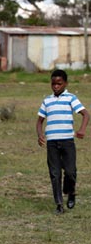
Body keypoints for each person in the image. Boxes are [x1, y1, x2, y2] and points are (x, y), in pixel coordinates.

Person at [36, 69, 89, 215]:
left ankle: (71, 192)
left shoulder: (71, 98)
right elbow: (40, 121)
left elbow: (85, 114)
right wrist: (40, 135)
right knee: (55, 173)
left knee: (70, 172)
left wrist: (82, 129)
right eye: (53, 84)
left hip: (67, 141)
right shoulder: (47, 101)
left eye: (59, 84)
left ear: (65, 83)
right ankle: (59, 204)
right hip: (52, 143)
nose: (56, 87)